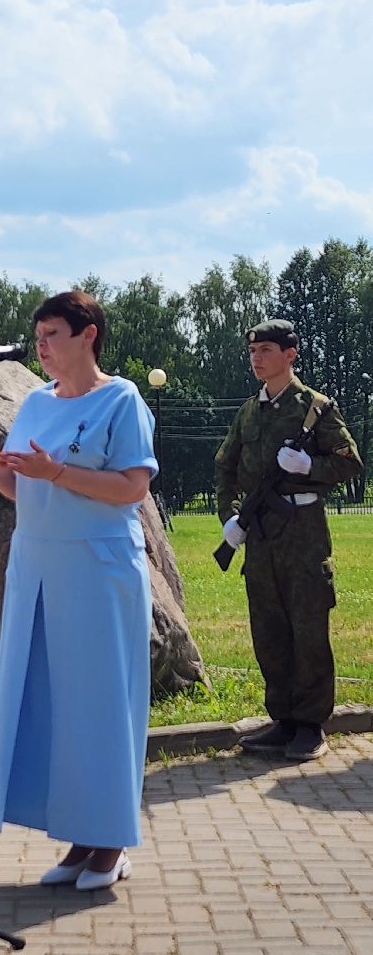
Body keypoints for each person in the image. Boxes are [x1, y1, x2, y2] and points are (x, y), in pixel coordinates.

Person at [0, 291, 157, 892]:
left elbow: (131, 489)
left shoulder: (121, 398)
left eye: (52, 335)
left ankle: (112, 840)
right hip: (38, 566)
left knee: (100, 702)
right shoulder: (36, 403)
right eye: (37, 336)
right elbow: (20, 489)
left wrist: (58, 472)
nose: (41, 347)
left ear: (88, 334)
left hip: (97, 568)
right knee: (57, 703)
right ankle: (78, 836)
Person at [215, 320, 362, 762]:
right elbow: (225, 466)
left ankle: (310, 725)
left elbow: (350, 463)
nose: (257, 357)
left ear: (290, 354)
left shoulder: (315, 408)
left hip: (302, 531)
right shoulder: (248, 411)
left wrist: (309, 466)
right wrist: (229, 519)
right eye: (253, 350)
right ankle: (282, 721)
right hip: (260, 535)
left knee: (308, 627)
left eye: (266, 349)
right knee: (269, 628)